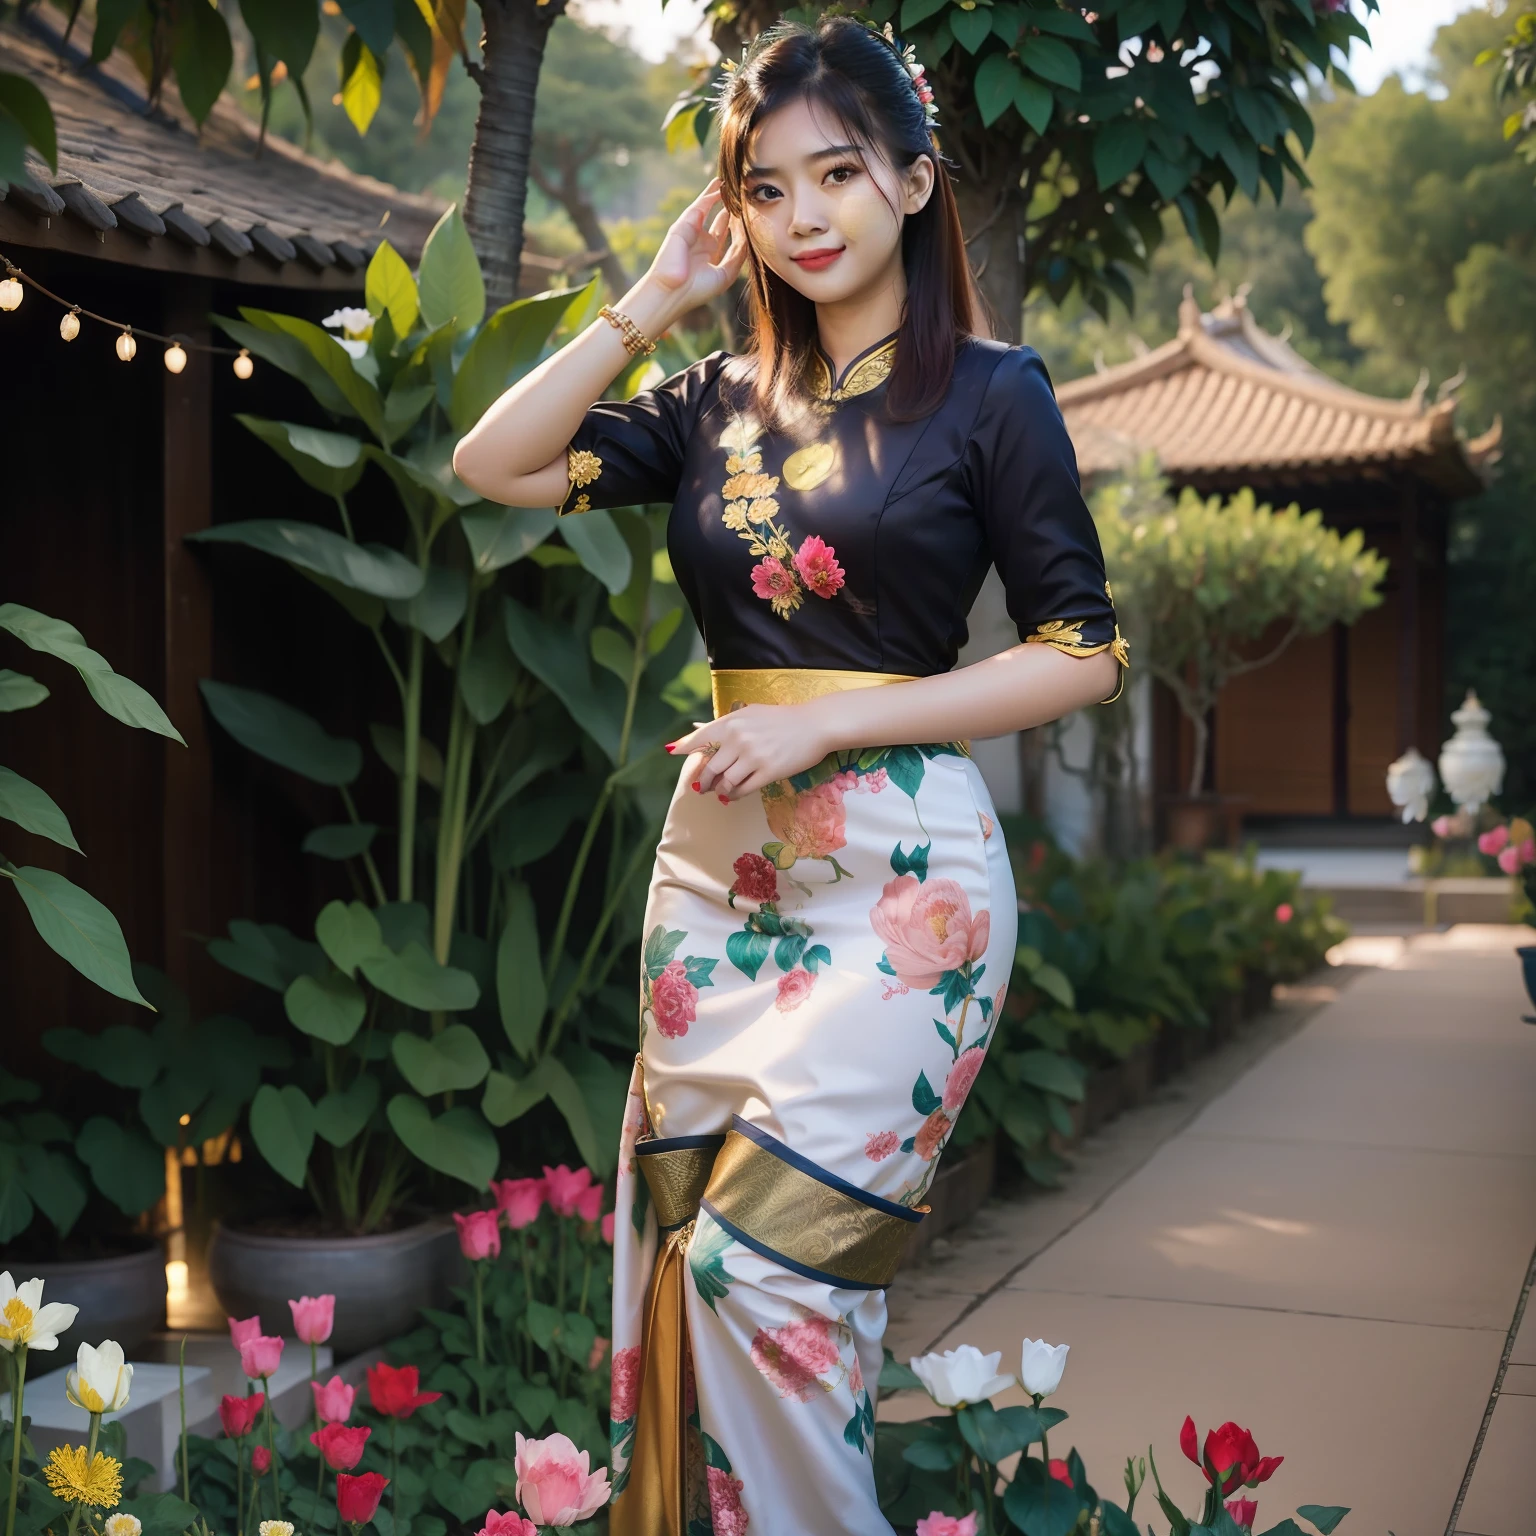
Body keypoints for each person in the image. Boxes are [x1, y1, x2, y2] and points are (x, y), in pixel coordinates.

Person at [454, 17, 1128, 1533]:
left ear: (911, 178)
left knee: (780, 1274)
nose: (805, 215)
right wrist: (650, 299)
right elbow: (489, 465)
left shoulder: (993, 394)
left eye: (838, 173)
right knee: (708, 1273)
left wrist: (830, 723)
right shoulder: (709, 402)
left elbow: (1082, 650)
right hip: (719, 885)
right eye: (767, 188)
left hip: (907, 893)